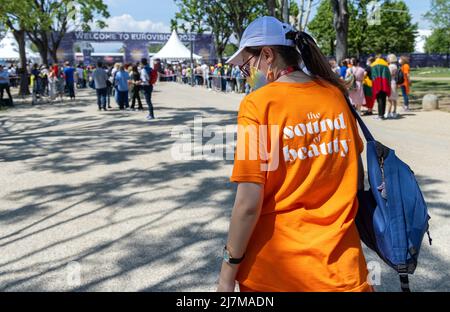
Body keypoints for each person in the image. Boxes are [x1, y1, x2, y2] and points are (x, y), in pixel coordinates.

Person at [220, 16, 372, 292]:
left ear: (267, 54)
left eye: (246, 66)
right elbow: (356, 177)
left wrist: (227, 272)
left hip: (275, 273)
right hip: (342, 270)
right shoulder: (335, 95)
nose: (246, 75)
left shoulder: (258, 104)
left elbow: (248, 203)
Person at [371, 54, 391, 120]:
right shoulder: (385, 64)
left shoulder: (373, 65)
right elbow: (388, 76)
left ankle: (380, 115)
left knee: (379, 100)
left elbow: (373, 76)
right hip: (385, 84)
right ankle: (382, 115)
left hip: (376, 84)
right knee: (383, 99)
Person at [387, 54, 399, 119]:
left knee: (390, 99)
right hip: (394, 82)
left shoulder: (390, 66)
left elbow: (389, 74)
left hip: (390, 82)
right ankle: (394, 112)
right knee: (394, 98)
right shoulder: (395, 66)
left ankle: (389, 112)